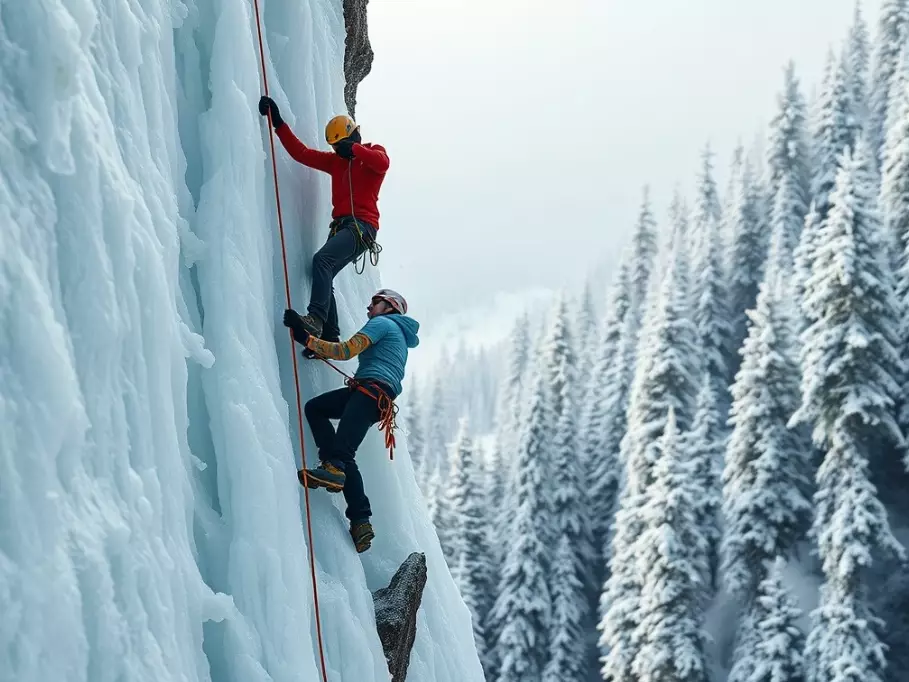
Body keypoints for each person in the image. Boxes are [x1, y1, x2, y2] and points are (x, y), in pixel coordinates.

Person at [283, 289, 419, 552]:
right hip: (373, 395)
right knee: (318, 411)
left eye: (374, 303)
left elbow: (347, 350)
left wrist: (305, 338)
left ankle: (334, 471)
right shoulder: (399, 335)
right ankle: (360, 521)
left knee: (341, 453)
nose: (369, 309)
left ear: (388, 307)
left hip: (370, 393)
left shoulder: (382, 324)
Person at [259, 95, 390, 345]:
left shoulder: (372, 154)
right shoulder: (336, 162)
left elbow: (382, 163)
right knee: (323, 271)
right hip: (345, 227)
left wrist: (355, 150)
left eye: (341, 145)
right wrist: (278, 123)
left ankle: (316, 320)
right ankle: (330, 334)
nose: (337, 151)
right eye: (336, 147)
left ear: (352, 138)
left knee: (322, 261)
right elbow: (302, 153)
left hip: (362, 227)